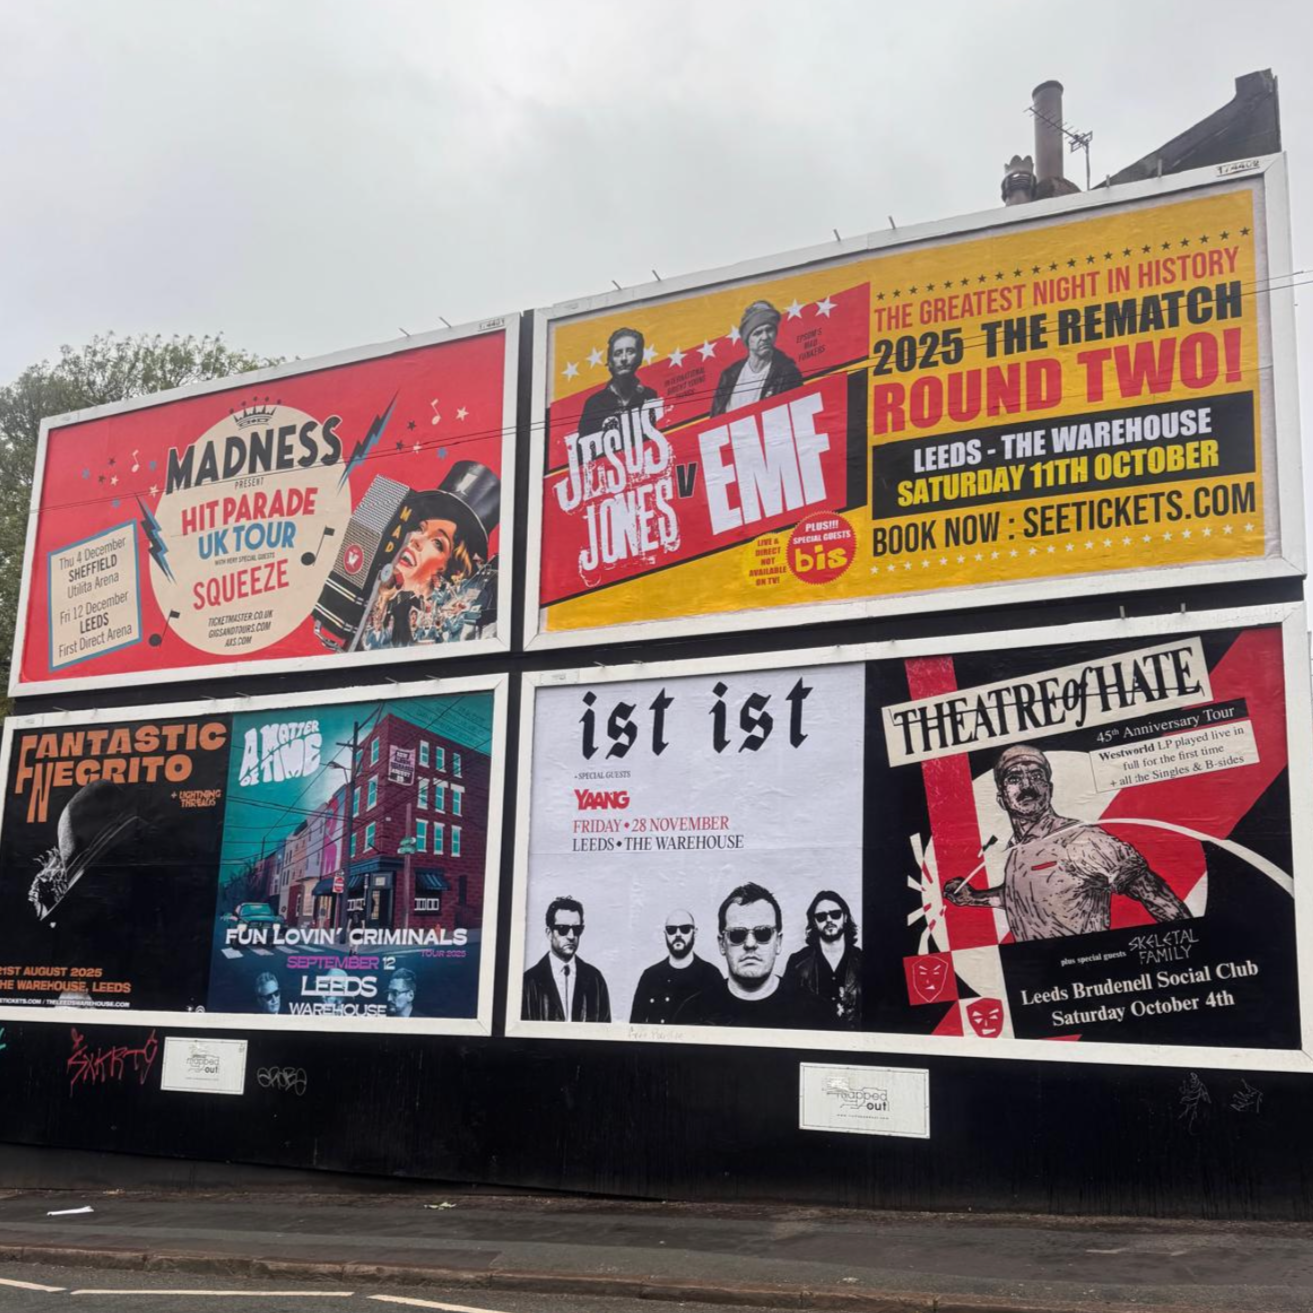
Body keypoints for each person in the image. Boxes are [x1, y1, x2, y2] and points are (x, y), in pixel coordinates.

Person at [944, 744, 1191, 941]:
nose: (1027, 785)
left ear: (1049, 789)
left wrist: (1196, 950)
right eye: (1014, 778)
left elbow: (1157, 896)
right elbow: (1027, 895)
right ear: (1001, 799)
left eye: (1036, 776)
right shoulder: (1018, 851)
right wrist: (973, 898)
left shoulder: (1082, 839)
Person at [367, 461, 500, 647]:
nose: (415, 541)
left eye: (437, 543)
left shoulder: (460, 618)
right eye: (420, 529)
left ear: (453, 568)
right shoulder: (387, 602)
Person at [675, 883, 834, 1029]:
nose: (750, 944)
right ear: (722, 944)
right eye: (737, 934)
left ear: (778, 942)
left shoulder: (817, 1013)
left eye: (763, 933)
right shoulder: (691, 1011)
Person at [521, 896, 611, 1022]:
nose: (571, 936)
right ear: (549, 933)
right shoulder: (528, 982)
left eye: (577, 929)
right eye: (563, 929)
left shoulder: (595, 980)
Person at [783, 890, 863, 1028]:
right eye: (821, 916)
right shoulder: (798, 962)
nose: (829, 920)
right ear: (814, 922)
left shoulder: (864, 960)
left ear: (845, 917)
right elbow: (786, 1011)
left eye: (835, 914)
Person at [709, 301, 803, 416]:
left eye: (769, 330)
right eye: (757, 333)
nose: (765, 337)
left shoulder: (787, 373)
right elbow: (715, 420)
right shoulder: (729, 375)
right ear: (747, 339)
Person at [629, 909, 723, 1024]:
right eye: (671, 930)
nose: (678, 934)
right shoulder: (650, 976)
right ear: (665, 934)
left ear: (695, 932)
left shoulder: (711, 975)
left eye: (685, 929)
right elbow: (634, 1027)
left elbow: (721, 1026)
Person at [577, 327, 660, 438]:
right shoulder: (594, 404)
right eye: (618, 353)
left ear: (639, 357)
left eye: (630, 351)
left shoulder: (651, 396)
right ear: (610, 361)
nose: (624, 358)